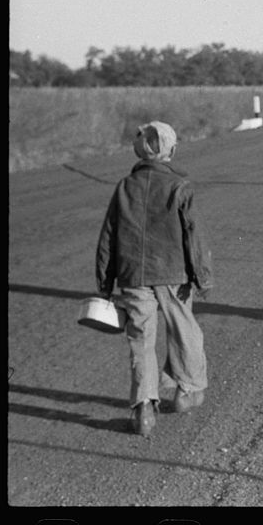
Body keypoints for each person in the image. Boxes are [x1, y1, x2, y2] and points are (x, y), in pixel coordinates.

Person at [96, 121, 213, 437]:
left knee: (141, 339)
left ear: (139, 150)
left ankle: (144, 409)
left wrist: (105, 285)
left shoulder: (124, 187)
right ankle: (186, 391)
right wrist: (202, 277)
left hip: (133, 275)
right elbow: (194, 236)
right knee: (184, 330)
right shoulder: (180, 187)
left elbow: (108, 236)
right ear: (171, 151)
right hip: (174, 274)